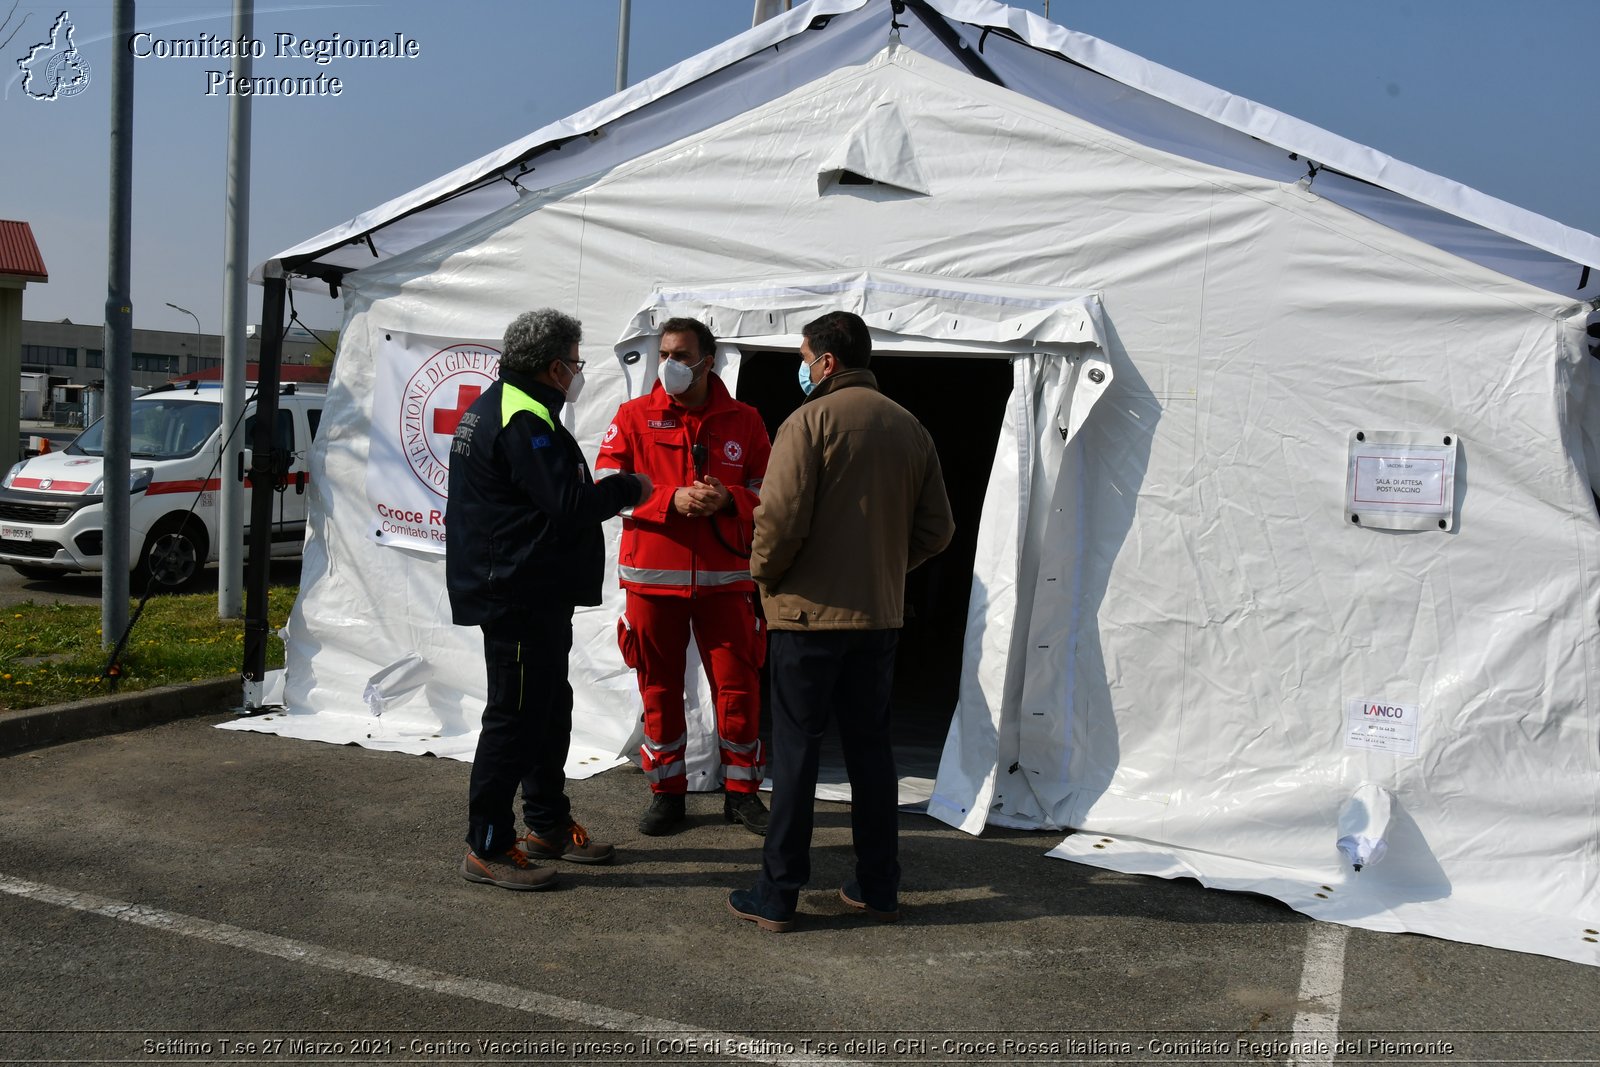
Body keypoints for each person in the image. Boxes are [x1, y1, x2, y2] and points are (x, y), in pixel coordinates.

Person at [728, 310, 954, 931]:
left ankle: (777, 897)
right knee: (871, 756)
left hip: (806, 619)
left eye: (804, 359)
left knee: (798, 756)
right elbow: (939, 530)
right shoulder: (910, 428)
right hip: (877, 619)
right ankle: (879, 887)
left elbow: (778, 521)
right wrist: (881, 569)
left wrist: (766, 577)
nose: (801, 370)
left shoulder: (808, 421)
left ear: (827, 362)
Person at [446, 308, 652, 891]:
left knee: (548, 708)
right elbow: (571, 503)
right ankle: (487, 843)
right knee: (512, 717)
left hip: (535, 590)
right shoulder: (521, 415)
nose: (579, 374)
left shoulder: (517, 405)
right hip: (513, 591)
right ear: (556, 367)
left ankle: (547, 823)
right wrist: (630, 486)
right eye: (578, 364)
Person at [595, 317, 774, 836]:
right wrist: (666, 499)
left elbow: (772, 490)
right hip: (652, 580)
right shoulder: (633, 416)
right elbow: (608, 483)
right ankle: (667, 792)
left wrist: (730, 500)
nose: (669, 364)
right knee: (659, 687)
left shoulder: (745, 419)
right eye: (665, 353)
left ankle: (741, 793)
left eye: (680, 355)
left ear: (707, 360)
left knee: (739, 688)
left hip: (726, 580)